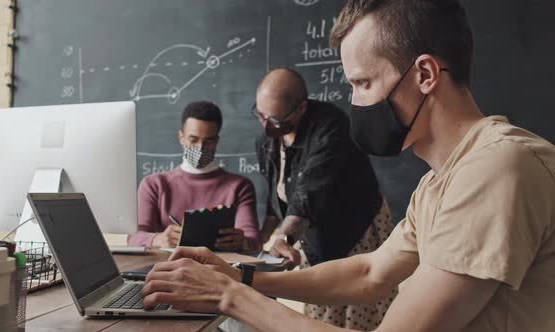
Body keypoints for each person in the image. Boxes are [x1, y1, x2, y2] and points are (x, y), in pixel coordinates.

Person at [140, 1, 555, 331]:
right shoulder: (440, 181)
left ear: (425, 74)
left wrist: (227, 296)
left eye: (363, 83)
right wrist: (243, 277)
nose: (354, 102)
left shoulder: (496, 167)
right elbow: (370, 271)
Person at [253, 68, 395, 328]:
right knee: (321, 311)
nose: (265, 125)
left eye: (273, 119)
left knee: (361, 312)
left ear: (300, 108)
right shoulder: (266, 140)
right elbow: (276, 197)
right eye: (260, 115)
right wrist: (263, 238)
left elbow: (309, 192)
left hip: (355, 229)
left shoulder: (330, 127)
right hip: (309, 235)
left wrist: (284, 238)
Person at [127, 101, 261, 252]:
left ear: (217, 141)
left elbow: (254, 240)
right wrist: (157, 239)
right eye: (193, 140)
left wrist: (242, 242)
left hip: (219, 270)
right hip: (169, 269)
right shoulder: (154, 184)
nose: (200, 148)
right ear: (181, 137)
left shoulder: (239, 186)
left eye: (208, 141)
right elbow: (133, 238)